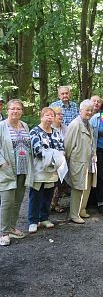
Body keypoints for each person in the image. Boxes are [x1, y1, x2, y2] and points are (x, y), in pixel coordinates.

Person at [0, 99, 33, 246]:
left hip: (23, 168)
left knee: (17, 200)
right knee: (7, 202)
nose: (15, 111)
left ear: (22, 111)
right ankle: (3, 232)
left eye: (18, 109)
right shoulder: (1, 126)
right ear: (8, 110)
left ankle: (12, 227)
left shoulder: (24, 125)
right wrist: (2, 162)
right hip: (7, 169)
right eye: (12, 109)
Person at [28, 107, 65, 234]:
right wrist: (54, 154)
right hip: (39, 169)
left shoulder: (56, 132)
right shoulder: (34, 131)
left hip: (53, 170)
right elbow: (37, 150)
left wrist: (54, 155)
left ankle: (44, 217)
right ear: (41, 116)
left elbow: (61, 147)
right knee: (36, 195)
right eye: (47, 115)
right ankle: (33, 220)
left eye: (51, 115)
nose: (49, 118)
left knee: (48, 193)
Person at [64, 99, 96, 223]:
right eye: (87, 110)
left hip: (88, 161)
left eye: (91, 110)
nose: (89, 112)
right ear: (81, 110)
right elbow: (67, 144)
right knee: (77, 188)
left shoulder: (89, 124)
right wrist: (67, 161)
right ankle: (74, 214)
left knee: (86, 187)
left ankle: (82, 210)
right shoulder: (75, 124)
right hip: (77, 161)